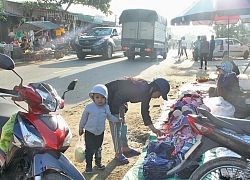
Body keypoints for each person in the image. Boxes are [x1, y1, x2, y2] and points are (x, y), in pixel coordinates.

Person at [105, 77, 170, 164]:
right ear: (155, 88)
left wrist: (153, 129)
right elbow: (118, 96)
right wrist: (116, 114)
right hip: (109, 96)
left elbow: (145, 111)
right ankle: (118, 154)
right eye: (159, 94)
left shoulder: (147, 92)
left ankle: (125, 148)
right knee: (116, 127)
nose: (158, 97)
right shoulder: (139, 88)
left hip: (119, 99)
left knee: (123, 126)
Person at [79, 84, 123, 174]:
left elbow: (109, 117)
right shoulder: (89, 107)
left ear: (106, 98)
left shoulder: (106, 108)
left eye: (102, 98)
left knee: (98, 148)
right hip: (89, 132)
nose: (100, 100)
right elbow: (83, 118)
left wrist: (117, 120)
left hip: (100, 132)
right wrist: (81, 127)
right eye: (97, 97)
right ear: (93, 97)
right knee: (89, 149)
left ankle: (98, 163)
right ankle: (88, 166)